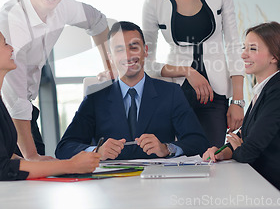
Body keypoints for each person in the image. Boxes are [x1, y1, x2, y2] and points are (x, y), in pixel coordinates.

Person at [0, 26, 100, 202]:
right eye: (5, 44)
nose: (12, 48)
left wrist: (46, 164)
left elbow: (6, 156)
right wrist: (71, 165)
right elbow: (1, 167)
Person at [0, 0, 112, 161]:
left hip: (24, 109)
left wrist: (111, 68)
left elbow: (98, 21)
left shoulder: (63, 7)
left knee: (36, 179)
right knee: (19, 178)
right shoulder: (13, 21)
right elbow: (14, 99)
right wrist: (31, 157)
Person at [142, 0, 244, 148]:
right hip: (175, 94)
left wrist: (237, 100)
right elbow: (147, 63)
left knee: (212, 159)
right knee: (178, 160)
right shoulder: (153, 0)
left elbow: (233, 43)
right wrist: (188, 71)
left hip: (215, 95)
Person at [55, 21, 209, 160]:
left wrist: (166, 148)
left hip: (158, 182)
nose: (128, 56)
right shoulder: (95, 96)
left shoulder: (171, 93)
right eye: (119, 49)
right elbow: (64, 147)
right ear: (111, 57)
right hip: (110, 184)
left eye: (133, 47)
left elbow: (199, 142)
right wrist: (97, 151)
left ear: (145, 51)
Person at [202, 22, 280, 200]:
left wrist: (239, 147)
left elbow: (248, 151)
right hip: (270, 188)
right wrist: (221, 153)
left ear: (274, 57)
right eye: (244, 47)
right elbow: (243, 137)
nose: (243, 54)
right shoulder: (265, 90)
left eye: (252, 49)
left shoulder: (279, 92)